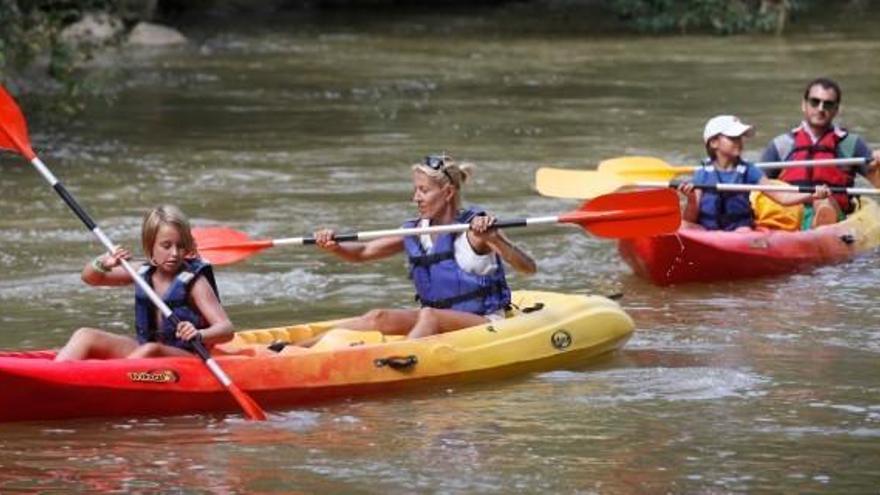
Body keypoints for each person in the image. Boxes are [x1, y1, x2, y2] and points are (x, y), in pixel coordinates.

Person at [312, 154, 536, 340]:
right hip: (437, 319)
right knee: (378, 317)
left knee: (430, 315)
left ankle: (396, 360)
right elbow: (363, 252)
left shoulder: (477, 229)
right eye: (416, 190)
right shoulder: (417, 231)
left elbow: (528, 268)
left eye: (423, 190)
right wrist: (334, 246)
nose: (415, 198)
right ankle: (290, 349)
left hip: (485, 323)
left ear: (448, 193)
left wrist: (496, 239)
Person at [54, 205, 233, 361]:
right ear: (150, 246)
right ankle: (55, 377)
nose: (175, 253)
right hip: (145, 351)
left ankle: (115, 380)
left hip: (188, 357)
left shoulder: (195, 283)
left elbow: (226, 330)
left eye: (180, 246)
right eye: (166, 246)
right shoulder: (140, 271)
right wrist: (103, 263)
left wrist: (199, 334)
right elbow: (90, 278)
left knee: (151, 350)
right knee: (85, 335)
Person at [760, 77, 880, 229]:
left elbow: (878, 182)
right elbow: (758, 184)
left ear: (836, 110)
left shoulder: (852, 144)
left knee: (823, 201)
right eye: (814, 102)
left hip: (834, 212)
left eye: (828, 104)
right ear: (804, 105)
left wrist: (878, 165)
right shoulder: (781, 145)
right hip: (790, 212)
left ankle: (819, 227)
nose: (821, 108)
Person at [678, 115, 829, 231]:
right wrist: (690, 199)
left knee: (743, 231)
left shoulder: (749, 171)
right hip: (706, 230)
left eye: (740, 138)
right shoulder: (702, 174)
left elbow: (782, 198)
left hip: (740, 231)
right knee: (684, 226)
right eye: (733, 138)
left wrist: (812, 194)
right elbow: (691, 217)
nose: (739, 142)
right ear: (713, 143)